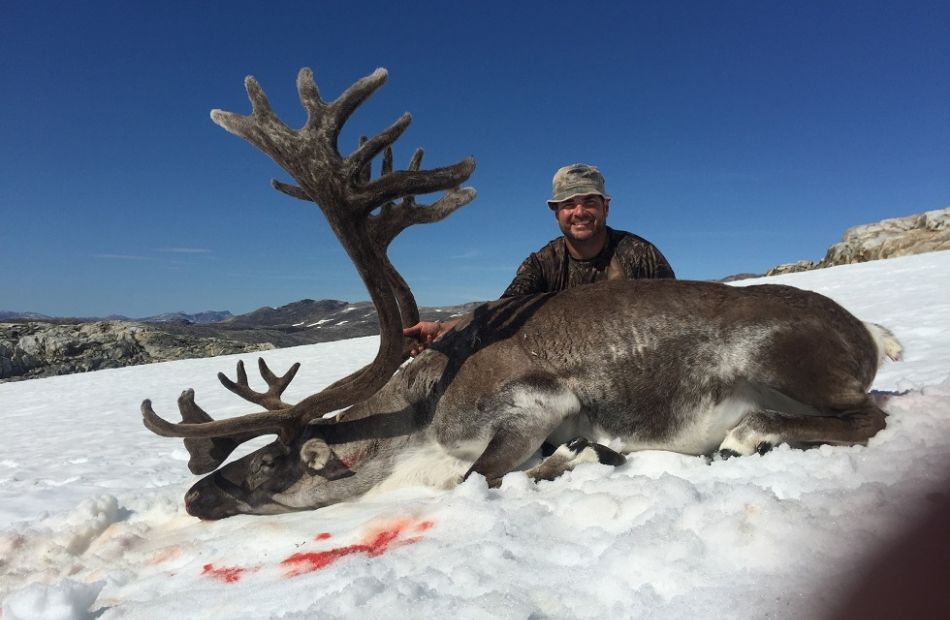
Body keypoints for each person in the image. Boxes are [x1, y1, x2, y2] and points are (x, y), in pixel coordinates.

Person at [403, 163, 674, 355]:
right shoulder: (542, 264)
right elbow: (502, 312)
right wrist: (440, 328)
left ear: (605, 207)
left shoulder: (640, 255)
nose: (579, 212)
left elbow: (675, 320)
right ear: (556, 212)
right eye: (568, 204)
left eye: (589, 201)